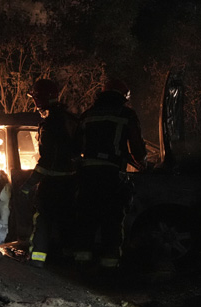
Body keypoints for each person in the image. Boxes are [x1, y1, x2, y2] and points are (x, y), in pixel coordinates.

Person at [73, 78, 147, 271]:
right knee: (112, 219)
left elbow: (76, 147)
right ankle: (109, 265)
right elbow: (137, 148)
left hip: (87, 175)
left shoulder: (88, 114)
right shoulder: (126, 114)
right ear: (123, 96)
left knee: (86, 218)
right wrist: (141, 161)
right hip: (112, 175)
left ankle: (82, 262)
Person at [21, 78, 80, 268]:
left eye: (35, 98)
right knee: (67, 222)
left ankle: (36, 261)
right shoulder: (71, 120)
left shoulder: (50, 124)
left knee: (43, 221)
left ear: (39, 98)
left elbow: (47, 161)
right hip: (71, 183)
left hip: (52, 184)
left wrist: (28, 185)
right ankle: (68, 262)